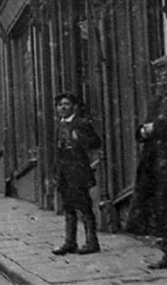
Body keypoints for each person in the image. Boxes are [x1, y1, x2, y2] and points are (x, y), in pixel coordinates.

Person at [129, 54, 167, 270]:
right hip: (157, 160)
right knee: (163, 207)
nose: (163, 75)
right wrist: (143, 131)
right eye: (160, 71)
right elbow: (145, 124)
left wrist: (157, 127)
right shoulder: (159, 97)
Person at [50, 93, 102, 255]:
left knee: (84, 207)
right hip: (64, 172)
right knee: (68, 207)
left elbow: (95, 142)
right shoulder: (60, 125)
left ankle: (92, 242)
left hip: (78, 171)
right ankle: (70, 242)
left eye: (66, 104)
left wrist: (79, 139)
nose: (63, 107)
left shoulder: (81, 123)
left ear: (74, 107)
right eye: (60, 105)